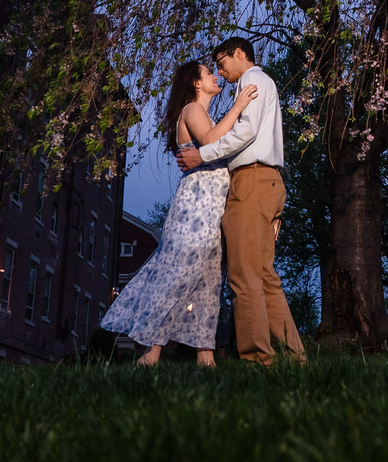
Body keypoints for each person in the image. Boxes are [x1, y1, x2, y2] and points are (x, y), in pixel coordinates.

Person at [100, 59, 257, 366]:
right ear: (196, 83)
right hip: (195, 208)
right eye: (209, 73)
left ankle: (205, 356)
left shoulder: (205, 113)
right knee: (176, 275)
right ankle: (150, 353)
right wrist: (237, 107)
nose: (215, 76)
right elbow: (211, 141)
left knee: (209, 281)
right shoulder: (192, 109)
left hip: (211, 210)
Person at [177, 36, 306, 366]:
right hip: (270, 182)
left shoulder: (250, 79)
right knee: (265, 277)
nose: (220, 71)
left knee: (244, 277)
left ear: (239, 54)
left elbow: (245, 133)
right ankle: (295, 359)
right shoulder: (266, 82)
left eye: (221, 63)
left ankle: (258, 361)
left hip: (251, 181)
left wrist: (202, 155)